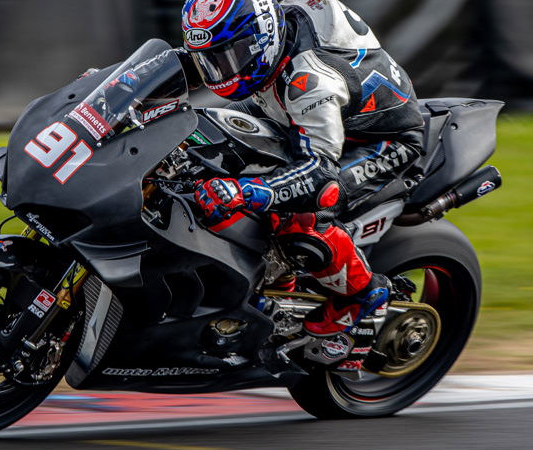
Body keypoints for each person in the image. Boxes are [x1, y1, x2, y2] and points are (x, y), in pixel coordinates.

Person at [181, 0, 425, 367]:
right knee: (205, 144)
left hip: (378, 139)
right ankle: (271, 287)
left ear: (262, 38)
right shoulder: (265, 23)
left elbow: (319, 175)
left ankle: (363, 296)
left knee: (302, 213)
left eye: (232, 55)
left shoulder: (311, 82)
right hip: (295, 107)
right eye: (212, 60)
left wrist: (249, 191)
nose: (222, 71)